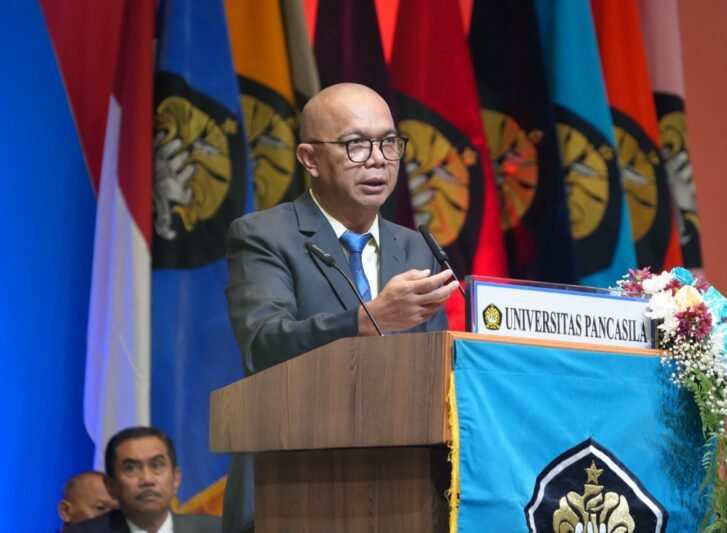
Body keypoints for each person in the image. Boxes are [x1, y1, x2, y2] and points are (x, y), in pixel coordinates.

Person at [222, 82, 459, 531]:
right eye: (356, 145)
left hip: (401, 489)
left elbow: (437, 371)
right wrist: (367, 320)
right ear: (309, 158)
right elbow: (263, 344)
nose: (378, 159)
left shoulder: (416, 248)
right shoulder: (263, 235)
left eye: (388, 143)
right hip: (292, 484)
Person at [64, 427, 220, 533]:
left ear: (176, 478)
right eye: (131, 468)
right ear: (110, 486)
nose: (147, 479)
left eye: (157, 465)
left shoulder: (219, 529)